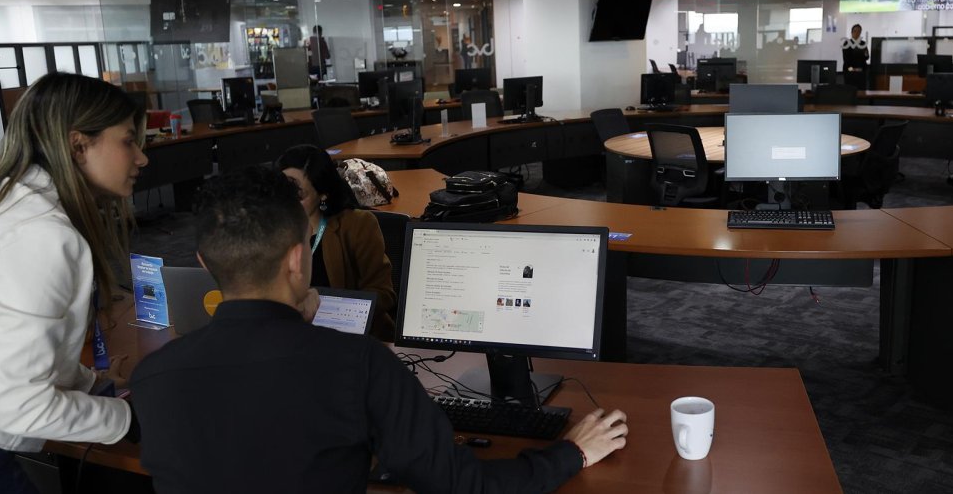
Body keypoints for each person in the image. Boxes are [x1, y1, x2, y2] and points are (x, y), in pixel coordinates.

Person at [129, 166, 628, 494]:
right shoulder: (355, 364)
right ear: (298, 258)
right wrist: (571, 453)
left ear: (204, 261)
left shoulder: (154, 377)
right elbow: (460, 485)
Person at [0, 73, 144, 492]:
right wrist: (129, 418)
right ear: (78, 146)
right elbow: (18, 405)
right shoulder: (41, 236)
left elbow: (17, 351)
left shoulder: (10, 201)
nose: (141, 158)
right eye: (129, 141)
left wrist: (93, 385)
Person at [275, 144, 397, 340]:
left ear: (322, 194)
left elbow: (384, 294)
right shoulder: (273, 231)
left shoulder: (357, 225)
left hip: (350, 338)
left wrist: (328, 309)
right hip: (294, 336)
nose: (287, 202)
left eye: (297, 195)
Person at [841, 23, 870, 90]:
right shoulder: (847, 43)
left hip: (861, 72)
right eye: (855, 31)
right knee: (850, 90)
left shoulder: (863, 43)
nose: (857, 33)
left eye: (859, 31)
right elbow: (846, 58)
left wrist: (864, 53)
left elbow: (867, 56)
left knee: (861, 90)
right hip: (850, 72)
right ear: (851, 33)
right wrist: (853, 69)